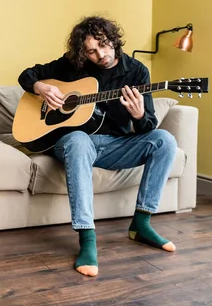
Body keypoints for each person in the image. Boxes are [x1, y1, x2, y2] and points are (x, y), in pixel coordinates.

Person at [18, 15, 177, 277]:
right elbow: (28, 75)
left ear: (114, 40)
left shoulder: (137, 72)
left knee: (165, 140)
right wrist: (41, 87)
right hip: (75, 143)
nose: (100, 55)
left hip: (116, 145)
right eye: (91, 51)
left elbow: (147, 125)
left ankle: (141, 223)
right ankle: (87, 238)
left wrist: (138, 115)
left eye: (103, 45)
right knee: (78, 140)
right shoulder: (73, 66)